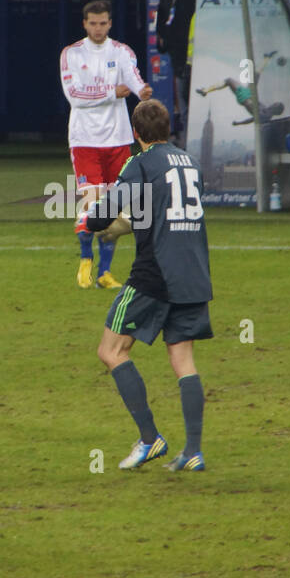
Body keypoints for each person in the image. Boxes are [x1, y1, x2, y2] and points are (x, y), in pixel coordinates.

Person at [85, 98, 213, 472]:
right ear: (168, 129)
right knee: (183, 360)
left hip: (155, 274)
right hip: (194, 273)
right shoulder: (191, 162)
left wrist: (93, 221)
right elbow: (165, 213)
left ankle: (149, 438)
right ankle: (192, 451)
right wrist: (124, 228)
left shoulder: (140, 163)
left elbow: (105, 213)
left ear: (135, 133)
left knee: (111, 352)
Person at [60, 0, 152, 290]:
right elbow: (74, 96)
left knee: (115, 210)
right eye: (93, 23)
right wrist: (113, 93)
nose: (98, 28)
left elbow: (134, 79)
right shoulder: (71, 54)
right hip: (85, 140)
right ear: (85, 24)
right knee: (94, 205)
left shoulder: (122, 51)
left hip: (118, 139)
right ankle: (86, 258)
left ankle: (104, 273)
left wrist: (143, 92)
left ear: (110, 23)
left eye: (103, 23)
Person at [155, 0, 206, 147]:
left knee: (198, 102)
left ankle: (198, 148)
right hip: (177, 52)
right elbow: (163, 11)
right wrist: (162, 35)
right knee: (183, 104)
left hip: (199, 53)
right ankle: (188, 147)